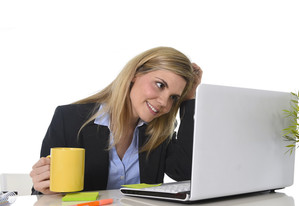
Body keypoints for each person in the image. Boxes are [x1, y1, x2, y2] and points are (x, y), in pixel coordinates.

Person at [30, 46, 202, 194]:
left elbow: (186, 171)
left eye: (173, 97)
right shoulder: (69, 119)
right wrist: (44, 187)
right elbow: (42, 192)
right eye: (159, 85)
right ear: (135, 74)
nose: (164, 102)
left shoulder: (158, 132)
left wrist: (190, 99)